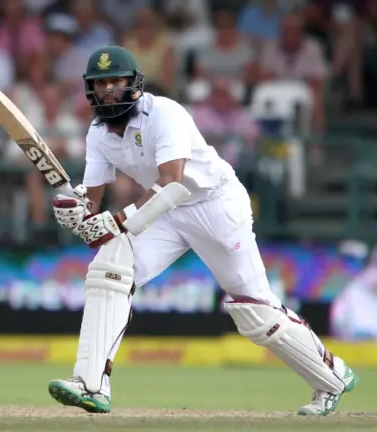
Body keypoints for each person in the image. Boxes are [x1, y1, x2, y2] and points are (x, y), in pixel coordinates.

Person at [47, 45, 358, 416]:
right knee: (108, 269)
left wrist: (115, 221)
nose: (109, 90)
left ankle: (331, 377)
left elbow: (173, 183)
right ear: (90, 89)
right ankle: (91, 384)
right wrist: (76, 210)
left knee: (255, 311)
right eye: (101, 84)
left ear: (135, 85)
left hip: (215, 205)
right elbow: (92, 200)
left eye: (116, 81)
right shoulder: (98, 133)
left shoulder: (164, 113)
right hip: (165, 215)